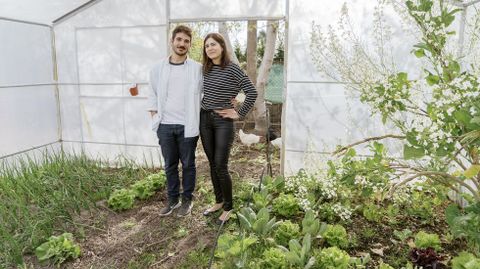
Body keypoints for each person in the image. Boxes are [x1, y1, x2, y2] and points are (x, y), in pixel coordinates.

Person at [200, 33, 258, 224]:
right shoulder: (204, 70)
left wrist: (239, 113)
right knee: (211, 163)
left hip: (223, 122)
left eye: (213, 44)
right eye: (207, 45)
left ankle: (228, 207)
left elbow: (252, 92)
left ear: (222, 47)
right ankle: (218, 201)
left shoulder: (232, 68)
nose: (210, 48)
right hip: (204, 120)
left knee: (220, 166)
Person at [147, 25, 203, 217]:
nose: (182, 44)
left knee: (188, 164)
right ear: (172, 41)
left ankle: (187, 200)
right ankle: (172, 200)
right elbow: (152, 94)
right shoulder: (157, 68)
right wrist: (155, 120)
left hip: (188, 126)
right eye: (179, 39)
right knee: (169, 165)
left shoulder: (197, 69)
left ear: (189, 45)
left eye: (186, 41)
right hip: (165, 126)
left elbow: (206, 93)